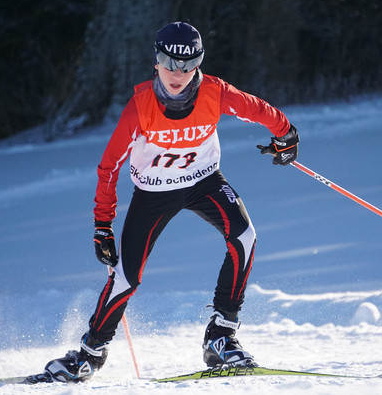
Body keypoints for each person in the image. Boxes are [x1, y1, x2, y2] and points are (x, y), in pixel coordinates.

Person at [40, 21, 299, 382]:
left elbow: (256, 108)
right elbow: (108, 168)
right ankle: (89, 355)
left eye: (188, 65)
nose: (178, 73)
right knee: (127, 277)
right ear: (156, 60)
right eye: (169, 62)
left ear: (199, 64)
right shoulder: (140, 106)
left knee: (245, 237)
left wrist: (285, 132)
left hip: (203, 182)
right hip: (154, 193)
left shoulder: (215, 92)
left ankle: (221, 336)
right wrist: (102, 224)